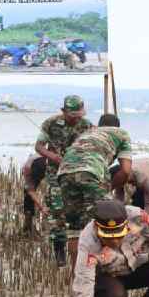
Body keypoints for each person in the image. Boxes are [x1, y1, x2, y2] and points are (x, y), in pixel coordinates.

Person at [55, 115, 133, 271]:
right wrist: (109, 187)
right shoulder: (122, 133)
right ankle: (104, 271)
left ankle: (76, 274)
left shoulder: (88, 132)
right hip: (90, 171)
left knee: (74, 228)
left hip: (64, 173)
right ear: (118, 125)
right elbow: (125, 171)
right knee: (108, 220)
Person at [35, 95, 94, 263]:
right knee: (57, 211)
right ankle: (59, 249)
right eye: (72, 115)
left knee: (81, 211)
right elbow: (39, 147)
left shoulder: (87, 126)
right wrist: (53, 156)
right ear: (63, 111)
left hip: (78, 174)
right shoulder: (50, 123)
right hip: (55, 175)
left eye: (79, 115)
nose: (76, 119)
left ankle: (81, 248)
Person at [20, 154, 48, 235]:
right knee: (28, 196)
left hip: (40, 164)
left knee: (28, 196)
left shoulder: (27, 170)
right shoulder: (30, 164)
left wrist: (41, 207)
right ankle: (28, 229)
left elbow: (30, 191)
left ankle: (27, 229)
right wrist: (41, 207)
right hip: (48, 161)